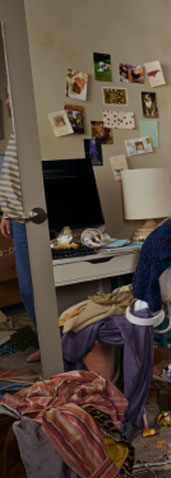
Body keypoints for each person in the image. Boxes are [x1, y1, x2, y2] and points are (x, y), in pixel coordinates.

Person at [1, 84, 37, 333]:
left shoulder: (32, 129)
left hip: (34, 217)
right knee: (28, 287)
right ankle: (43, 340)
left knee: (35, 286)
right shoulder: (17, 131)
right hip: (18, 217)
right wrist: (7, 212)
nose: (6, 102)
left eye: (10, 95)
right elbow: (13, 175)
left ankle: (56, 345)